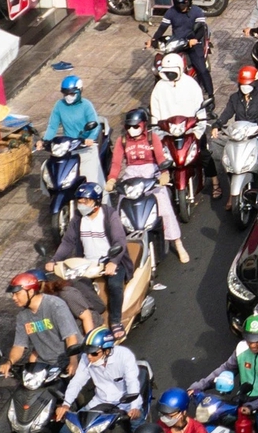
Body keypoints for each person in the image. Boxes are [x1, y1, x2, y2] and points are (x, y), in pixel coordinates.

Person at [108, 107, 190, 264]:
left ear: (144, 125)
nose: (132, 130)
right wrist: (111, 179)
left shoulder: (153, 138)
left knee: (164, 207)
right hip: (131, 178)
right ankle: (120, 249)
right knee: (120, 210)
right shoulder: (122, 141)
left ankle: (178, 243)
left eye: (135, 126)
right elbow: (116, 163)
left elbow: (160, 158)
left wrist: (164, 173)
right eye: (129, 126)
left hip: (151, 176)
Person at [50, 181, 133, 323]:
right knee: (73, 286)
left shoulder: (109, 215)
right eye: (79, 201)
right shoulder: (77, 218)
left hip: (109, 260)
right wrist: (54, 260)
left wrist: (113, 262)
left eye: (86, 201)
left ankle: (115, 320)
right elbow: (68, 241)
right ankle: (94, 314)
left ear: (97, 202)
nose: (81, 205)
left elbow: (119, 240)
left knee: (114, 286)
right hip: (86, 262)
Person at [0, 270, 82, 377]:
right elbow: (19, 346)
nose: (14, 298)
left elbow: (70, 337)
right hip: (45, 365)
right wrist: (9, 362)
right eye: (13, 294)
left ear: (30, 292)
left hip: (69, 360)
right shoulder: (22, 316)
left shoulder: (55, 306)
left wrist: (73, 362)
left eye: (17, 293)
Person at [57, 326, 146, 421]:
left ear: (107, 351)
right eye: (87, 352)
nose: (89, 357)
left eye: (94, 353)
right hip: (99, 402)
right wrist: (66, 404)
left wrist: (134, 407)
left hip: (125, 404)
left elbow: (132, 382)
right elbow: (77, 381)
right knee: (66, 432)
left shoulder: (124, 355)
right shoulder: (85, 358)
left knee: (137, 427)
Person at [44, 74, 108, 186]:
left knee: (91, 181)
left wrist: (90, 139)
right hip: (68, 148)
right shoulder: (59, 105)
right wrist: (44, 141)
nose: (68, 96)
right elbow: (52, 126)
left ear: (80, 91)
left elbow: (95, 125)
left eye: (72, 93)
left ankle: (102, 201)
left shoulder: (86, 105)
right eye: (65, 93)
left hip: (86, 147)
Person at [154, 0, 214, 104]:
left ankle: (211, 97)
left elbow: (201, 28)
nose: (181, 6)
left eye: (183, 3)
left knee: (202, 69)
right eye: (178, 3)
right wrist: (153, 40)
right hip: (177, 43)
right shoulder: (171, 12)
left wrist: (195, 39)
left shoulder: (197, 11)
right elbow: (162, 28)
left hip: (193, 44)